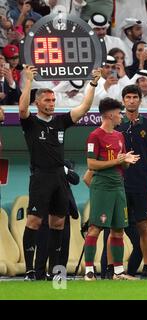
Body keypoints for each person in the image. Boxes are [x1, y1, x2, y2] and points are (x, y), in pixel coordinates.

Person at [19, 65, 101, 280]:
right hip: (40, 176)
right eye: (47, 100)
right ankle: (30, 271)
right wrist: (28, 81)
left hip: (59, 177)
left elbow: (84, 107)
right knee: (34, 222)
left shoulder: (60, 122)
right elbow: (21, 109)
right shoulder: (30, 123)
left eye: (53, 101)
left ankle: (55, 273)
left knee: (58, 223)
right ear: (38, 103)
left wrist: (93, 83)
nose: (51, 104)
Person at [83, 97, 140, 281]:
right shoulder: (95, 136)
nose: (121, 116)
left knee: (118, 230)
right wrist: (118, 160)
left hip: (118, 186)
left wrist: (127, 162)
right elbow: (91, 164)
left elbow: (121, 165)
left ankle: (118, 272)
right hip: (102, 186)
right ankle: (89, 271)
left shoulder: (119, 136)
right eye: (118, 113)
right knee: (95, 228)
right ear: (109, 114)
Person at [116, 84, 147, 278]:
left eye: (135, 97)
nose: (131, 100)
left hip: (142, 184)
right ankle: (114, 267)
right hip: (120, 184)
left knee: (144, 227)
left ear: (140, 100)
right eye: (128, 97)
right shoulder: (117, 124)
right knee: (117, 227)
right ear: (123, 100)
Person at [34, 160, 80, 280]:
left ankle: (60, 275)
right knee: (43, 244)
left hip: (63, 209)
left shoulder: (64, 165)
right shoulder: (41, 163)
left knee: (63, 246)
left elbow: (75, 179)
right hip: (46, 210)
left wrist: (64, 170)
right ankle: (39, 275)